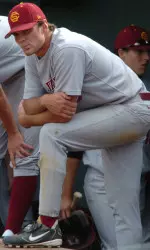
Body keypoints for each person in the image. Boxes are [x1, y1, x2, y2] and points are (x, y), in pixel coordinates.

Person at [3, 3, 150, 249]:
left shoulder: (66, 47)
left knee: (52, 133)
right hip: (118, 115)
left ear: (43, 25)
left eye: (26, 31)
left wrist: (30, 117)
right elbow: (28, 106)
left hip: (132, 110)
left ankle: (46, 225)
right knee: (124, 210)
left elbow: (63, 114)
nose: (21, 39)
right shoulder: (32, 57)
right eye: (16, 34)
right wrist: (44, 101)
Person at [0, 16, 40, 237]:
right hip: (6, 75)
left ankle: (24, 228)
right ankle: (12, 228)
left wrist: (14, 133)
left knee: (24, 151)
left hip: (26, 70)